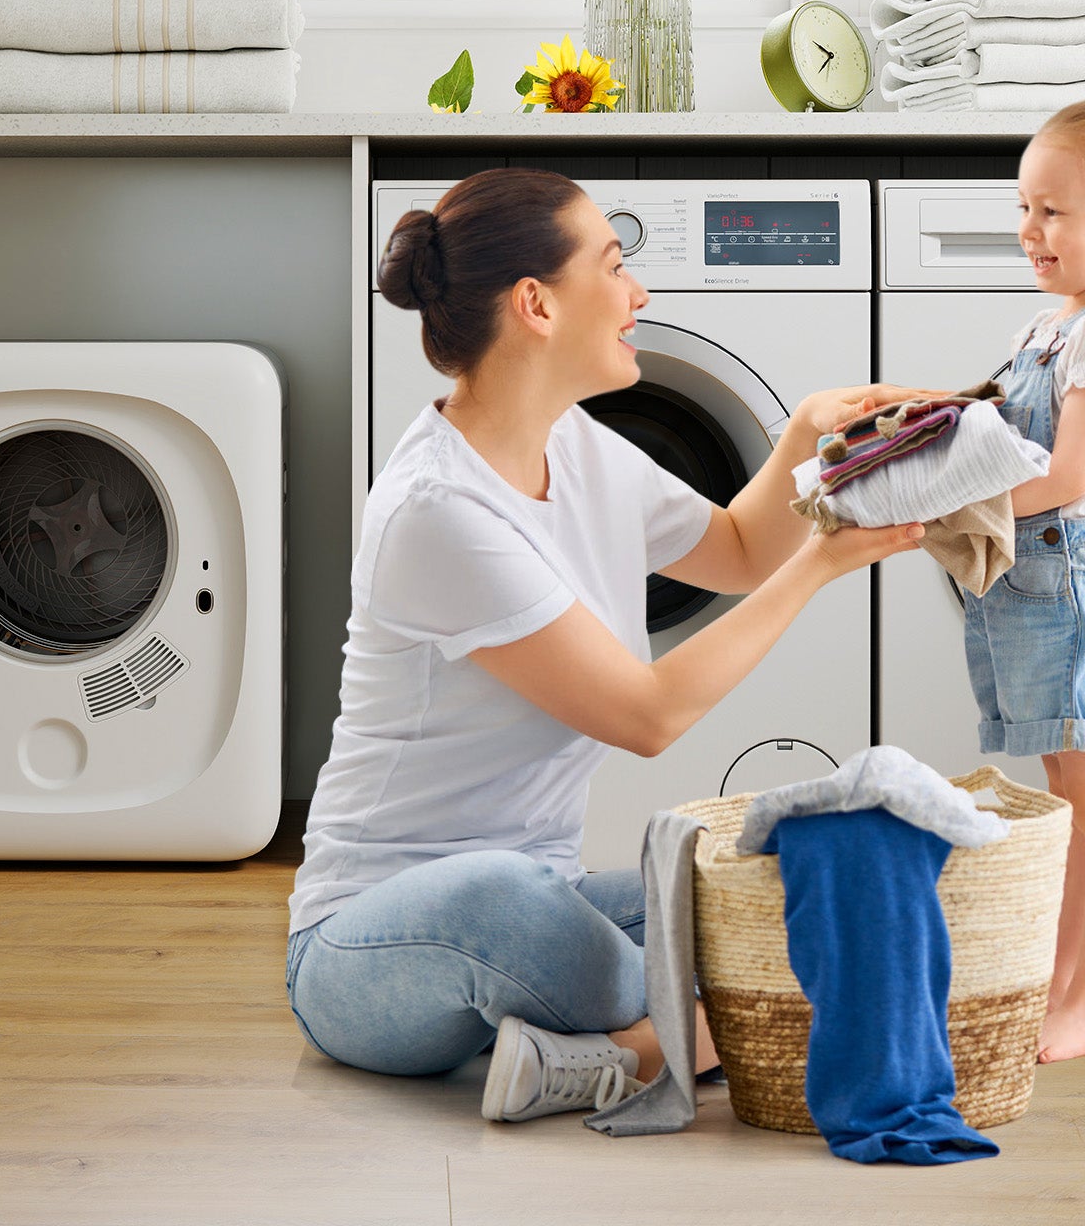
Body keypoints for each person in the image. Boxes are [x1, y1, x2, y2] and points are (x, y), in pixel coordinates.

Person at [286, 167, 931, 1123]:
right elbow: (647, 715)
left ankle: (603, 1054)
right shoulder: (439, 510)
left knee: (804, 884)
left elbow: (744, 550)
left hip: (549, 904)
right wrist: (826, 564)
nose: (639, 295)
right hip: (369, 946)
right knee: (512, 897)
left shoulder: (580, 447)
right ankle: (689, 1028)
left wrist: (802, 436)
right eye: (617, 265)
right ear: (536, 304)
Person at [966, 100, 1085, 1064]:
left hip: (1066, 595)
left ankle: (1072, 990)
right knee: (1060, 785)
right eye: (1026, 208)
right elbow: (1009, 434)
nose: (1030, 233)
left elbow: (1069, 473)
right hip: (1026, 590)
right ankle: (1053, 975)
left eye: (1055, 213)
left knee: (1081, 795)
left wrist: (956, 498)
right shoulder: (1048, 328)